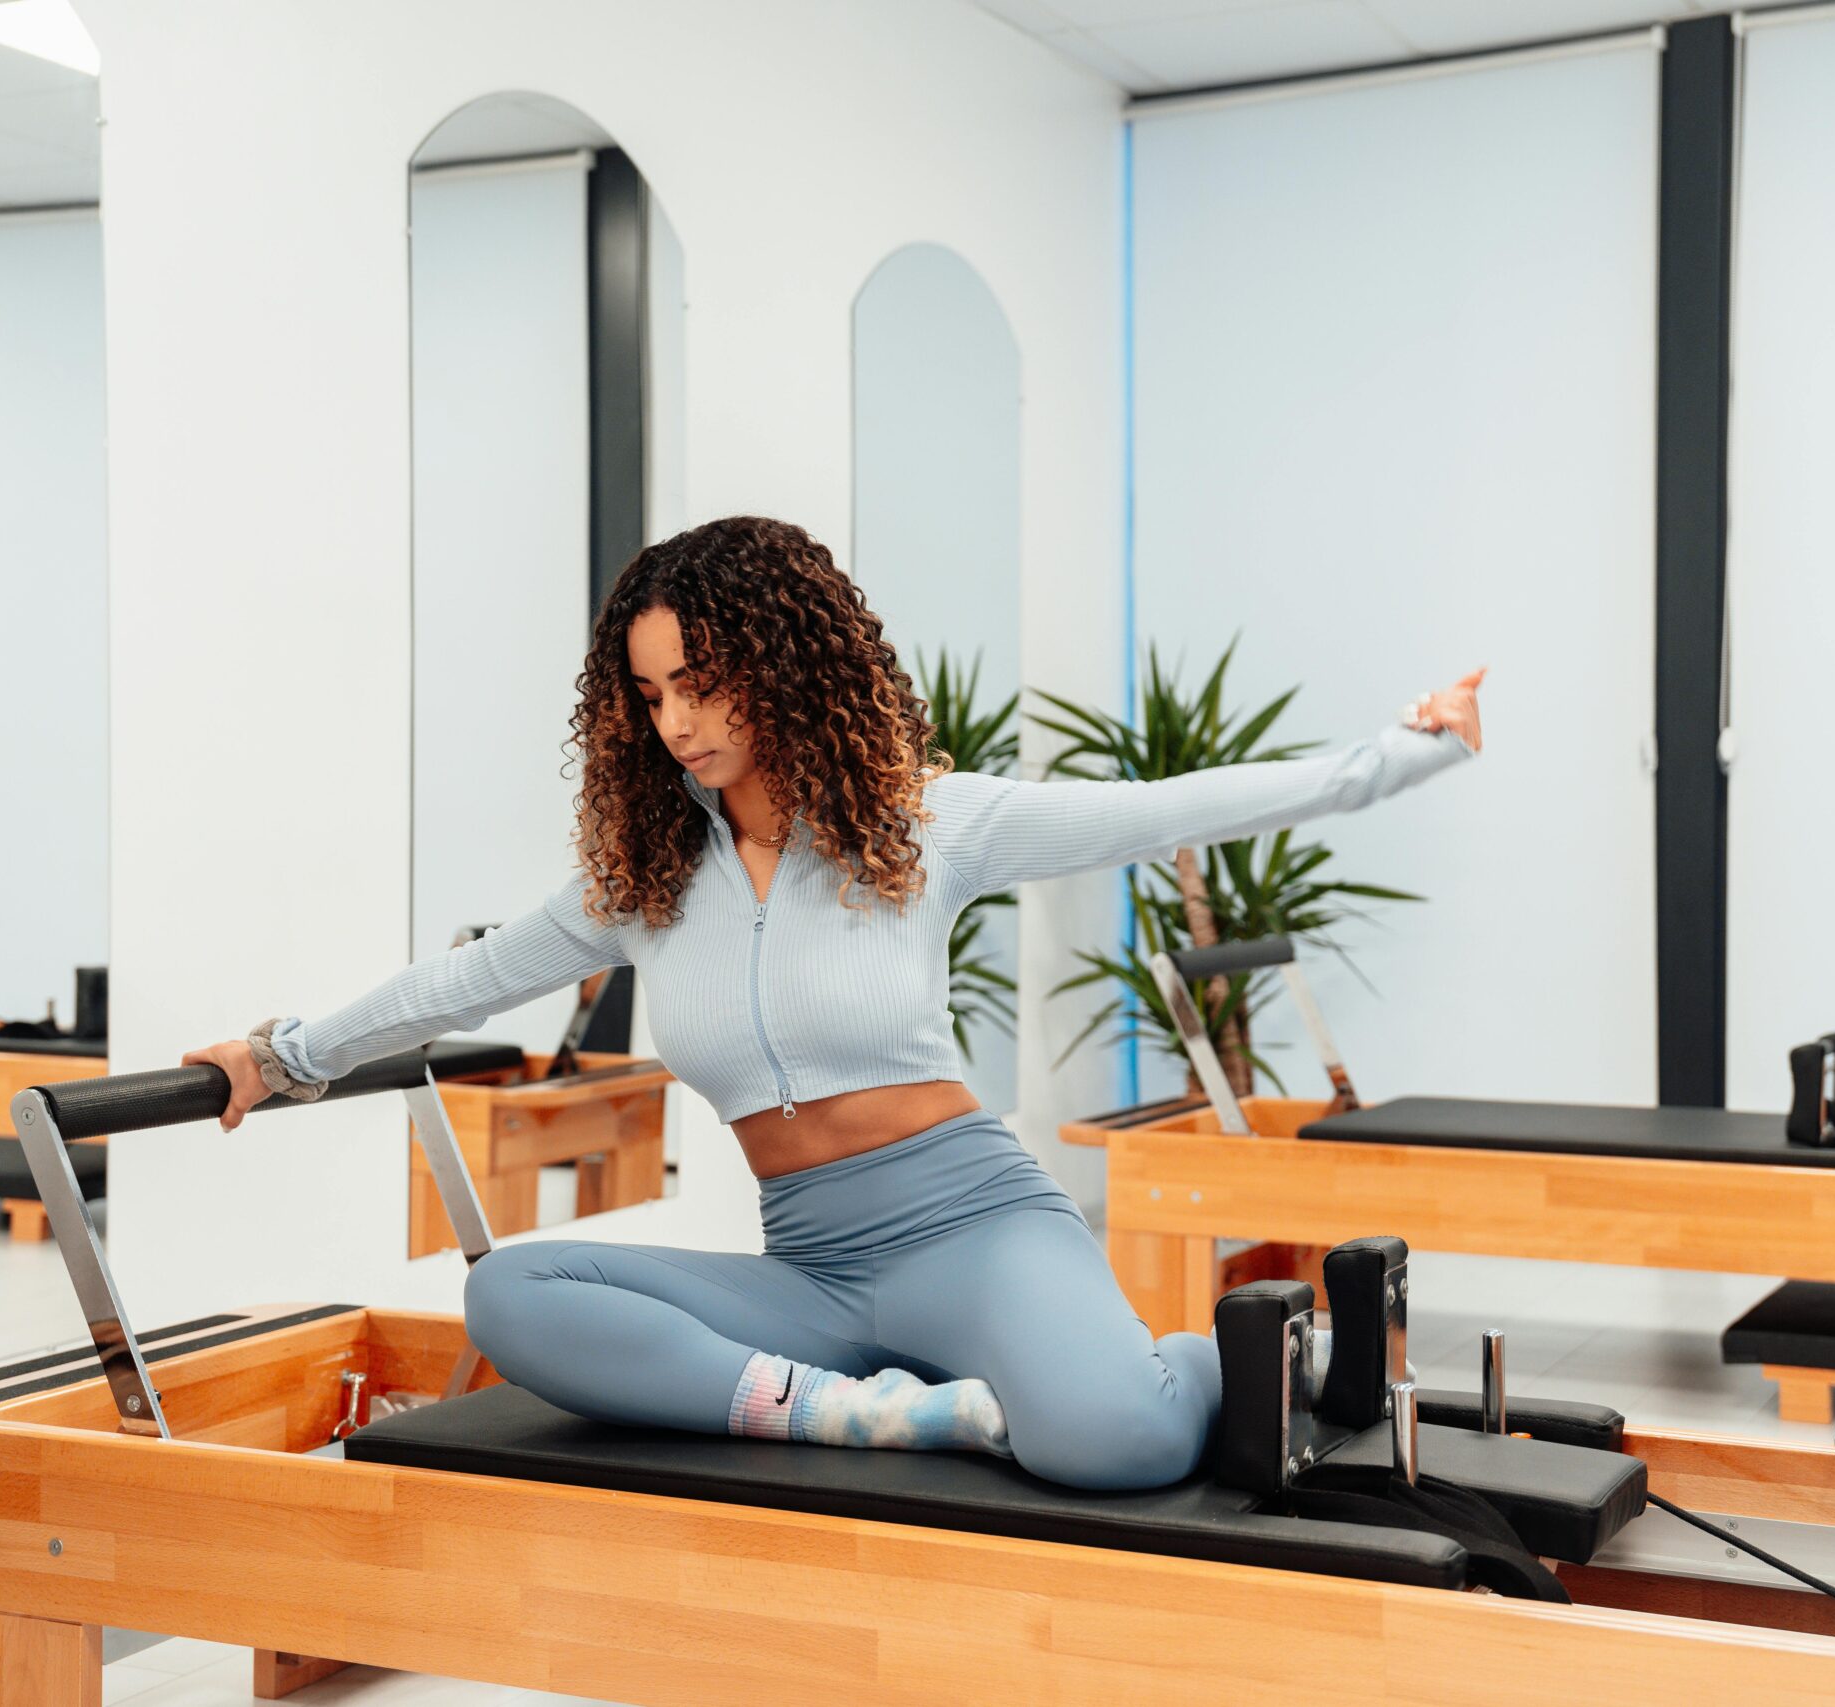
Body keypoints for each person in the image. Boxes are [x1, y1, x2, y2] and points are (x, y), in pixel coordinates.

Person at [185, 515, 1481, 1490]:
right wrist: (274, 1056)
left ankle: (1261, 1353)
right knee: (513, 1293)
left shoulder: (923, 826)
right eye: (649, 695)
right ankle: (874, 1408)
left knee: (1120, 1445)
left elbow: (1167, 810)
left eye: (700, 682)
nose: (676, 721)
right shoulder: (642, 881)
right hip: (814, 1266)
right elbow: (455, 983)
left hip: (971, 1220)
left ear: (786, 663)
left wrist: (1402, 755)